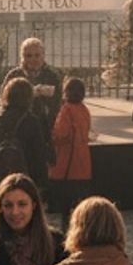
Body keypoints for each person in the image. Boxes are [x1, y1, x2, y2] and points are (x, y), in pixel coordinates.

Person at [0, 77, 51, 190]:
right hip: (26, 175)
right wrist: (42, 183)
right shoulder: (31, 120)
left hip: (1, 174)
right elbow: (38, 154)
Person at [48, 78, 93, 233]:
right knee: (79, 200)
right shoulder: (84, 109)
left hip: (67, 163)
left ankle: (66, 230)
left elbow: (61, 133)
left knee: (65, 205)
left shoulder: (66, 110)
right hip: (82, 162)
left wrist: (52, 136)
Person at [3, 38, 63, 134]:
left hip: (44, 126)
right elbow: (3, 100)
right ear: (22, 57)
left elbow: (59, 103)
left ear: (43, 56)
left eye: (37, 55)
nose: (33, 59)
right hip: (18, 125)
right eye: (29, 56)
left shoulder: (52, 75)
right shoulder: (14, 75)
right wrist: (30, 93)